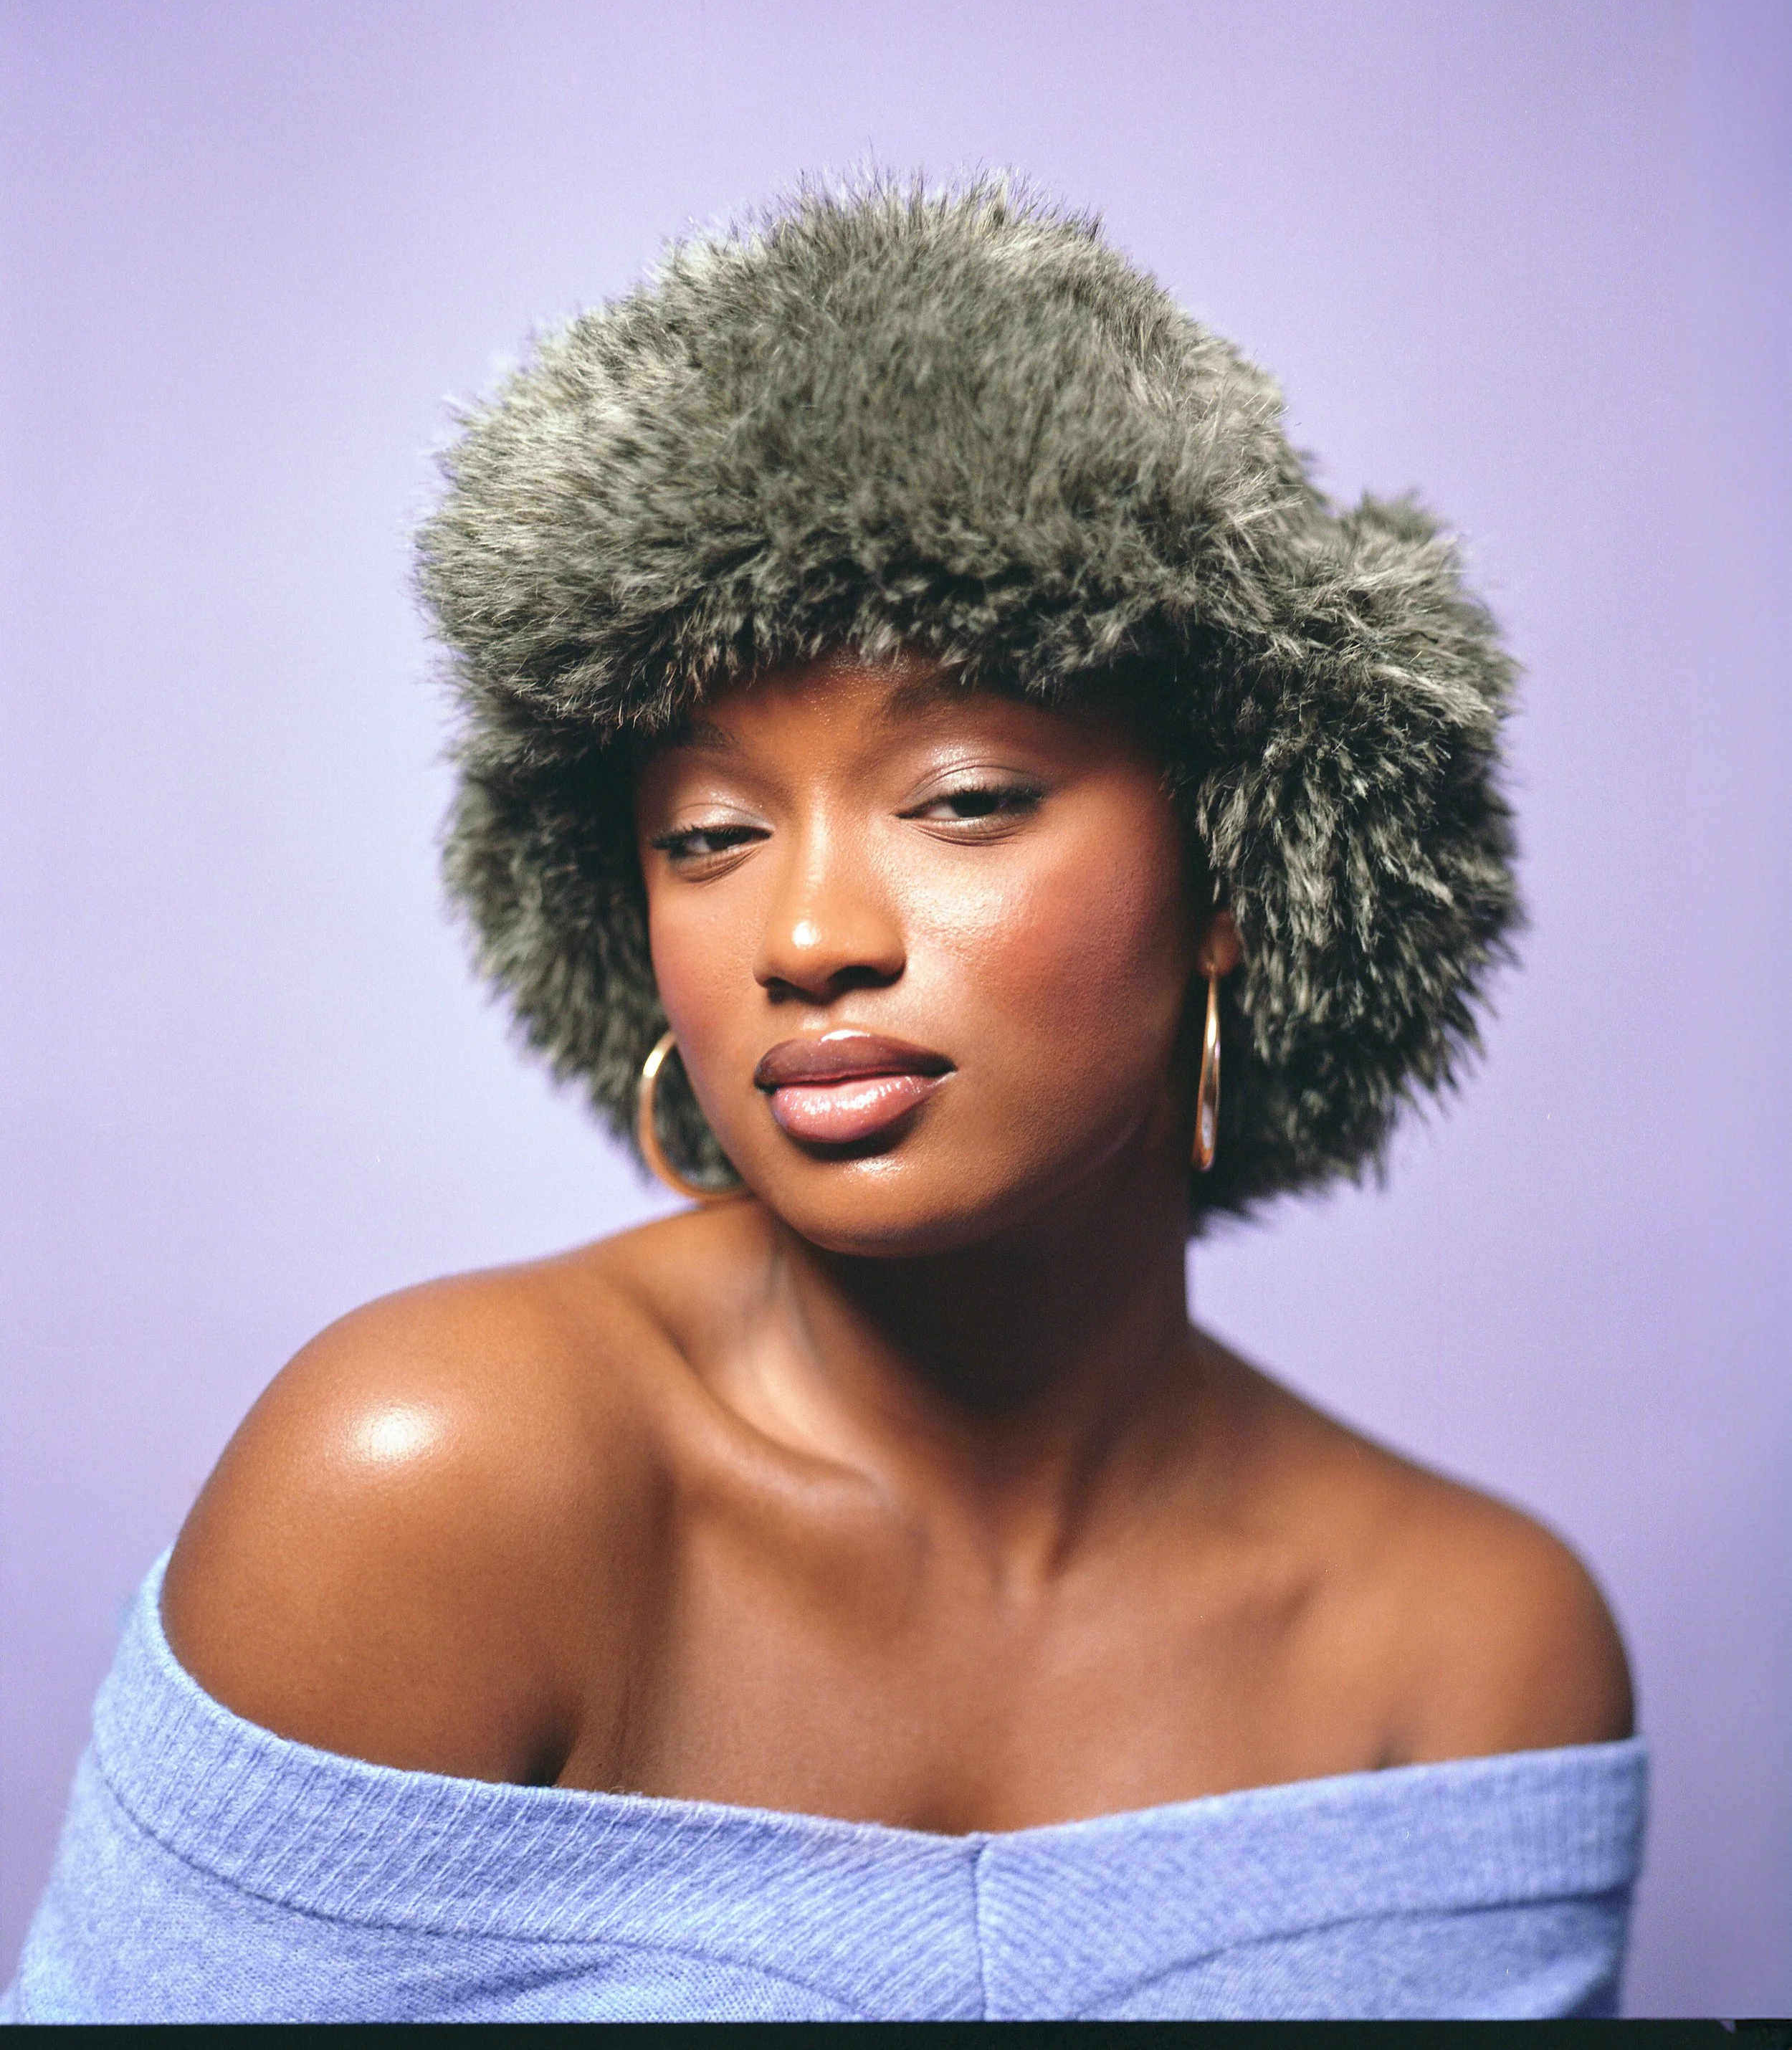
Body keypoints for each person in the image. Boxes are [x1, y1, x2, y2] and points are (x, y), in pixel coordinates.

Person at [5, 180, 1641, 2024]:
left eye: (959, 799)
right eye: (705, 836)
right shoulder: (423, 1486)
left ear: (1231, 886)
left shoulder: (1471, 1673)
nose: (802, 935)